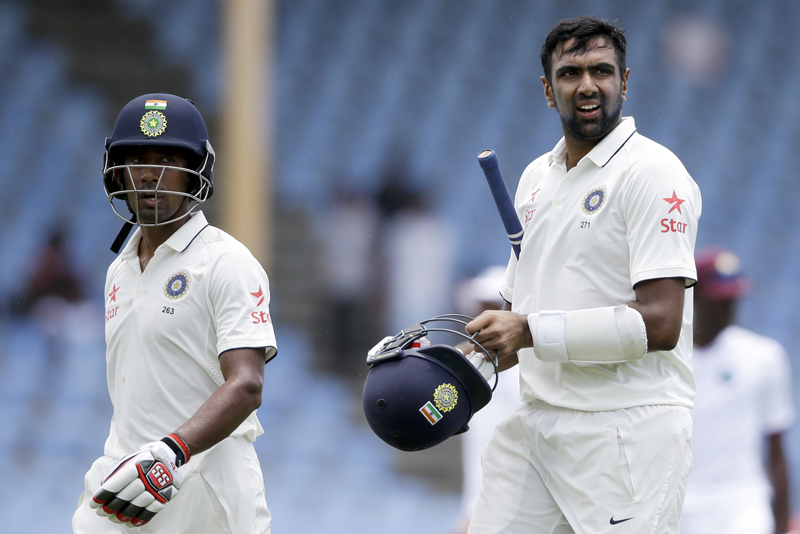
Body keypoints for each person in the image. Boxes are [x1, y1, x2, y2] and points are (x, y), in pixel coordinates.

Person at [463, 16, 702, 533]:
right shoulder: (533, 178)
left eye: (601, 71)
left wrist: (527, 331)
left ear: (625, 81)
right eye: (571, 73)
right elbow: (516, 314)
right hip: (538, 423)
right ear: (549, 91)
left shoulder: (653, 173)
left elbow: (659, 325)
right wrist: (461, 362)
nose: (588, 85)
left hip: (628, 430)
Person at [72, 93, 277, 533]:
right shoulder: (118, 271)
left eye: (167, 159)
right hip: (123, 477)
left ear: (195, 172)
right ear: (117, 172)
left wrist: (171, 451)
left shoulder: (227, 262)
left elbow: (247, 384)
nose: (149, 174)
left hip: (204, 480)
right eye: (137, 159)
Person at [682, 247, 795, 534]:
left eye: (732, 298)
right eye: (719, 299)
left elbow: (776, 449)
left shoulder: (765, 356)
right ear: (693, 296)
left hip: (741, 505)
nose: (728, 307)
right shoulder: (666, 360)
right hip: (679, 503)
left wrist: (781, 525)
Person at [450, 266, 521, 534]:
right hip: (484, 513)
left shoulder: (522, 375)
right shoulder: (477, 371)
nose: (484, 316)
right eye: (480, 306)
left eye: (493, 305)